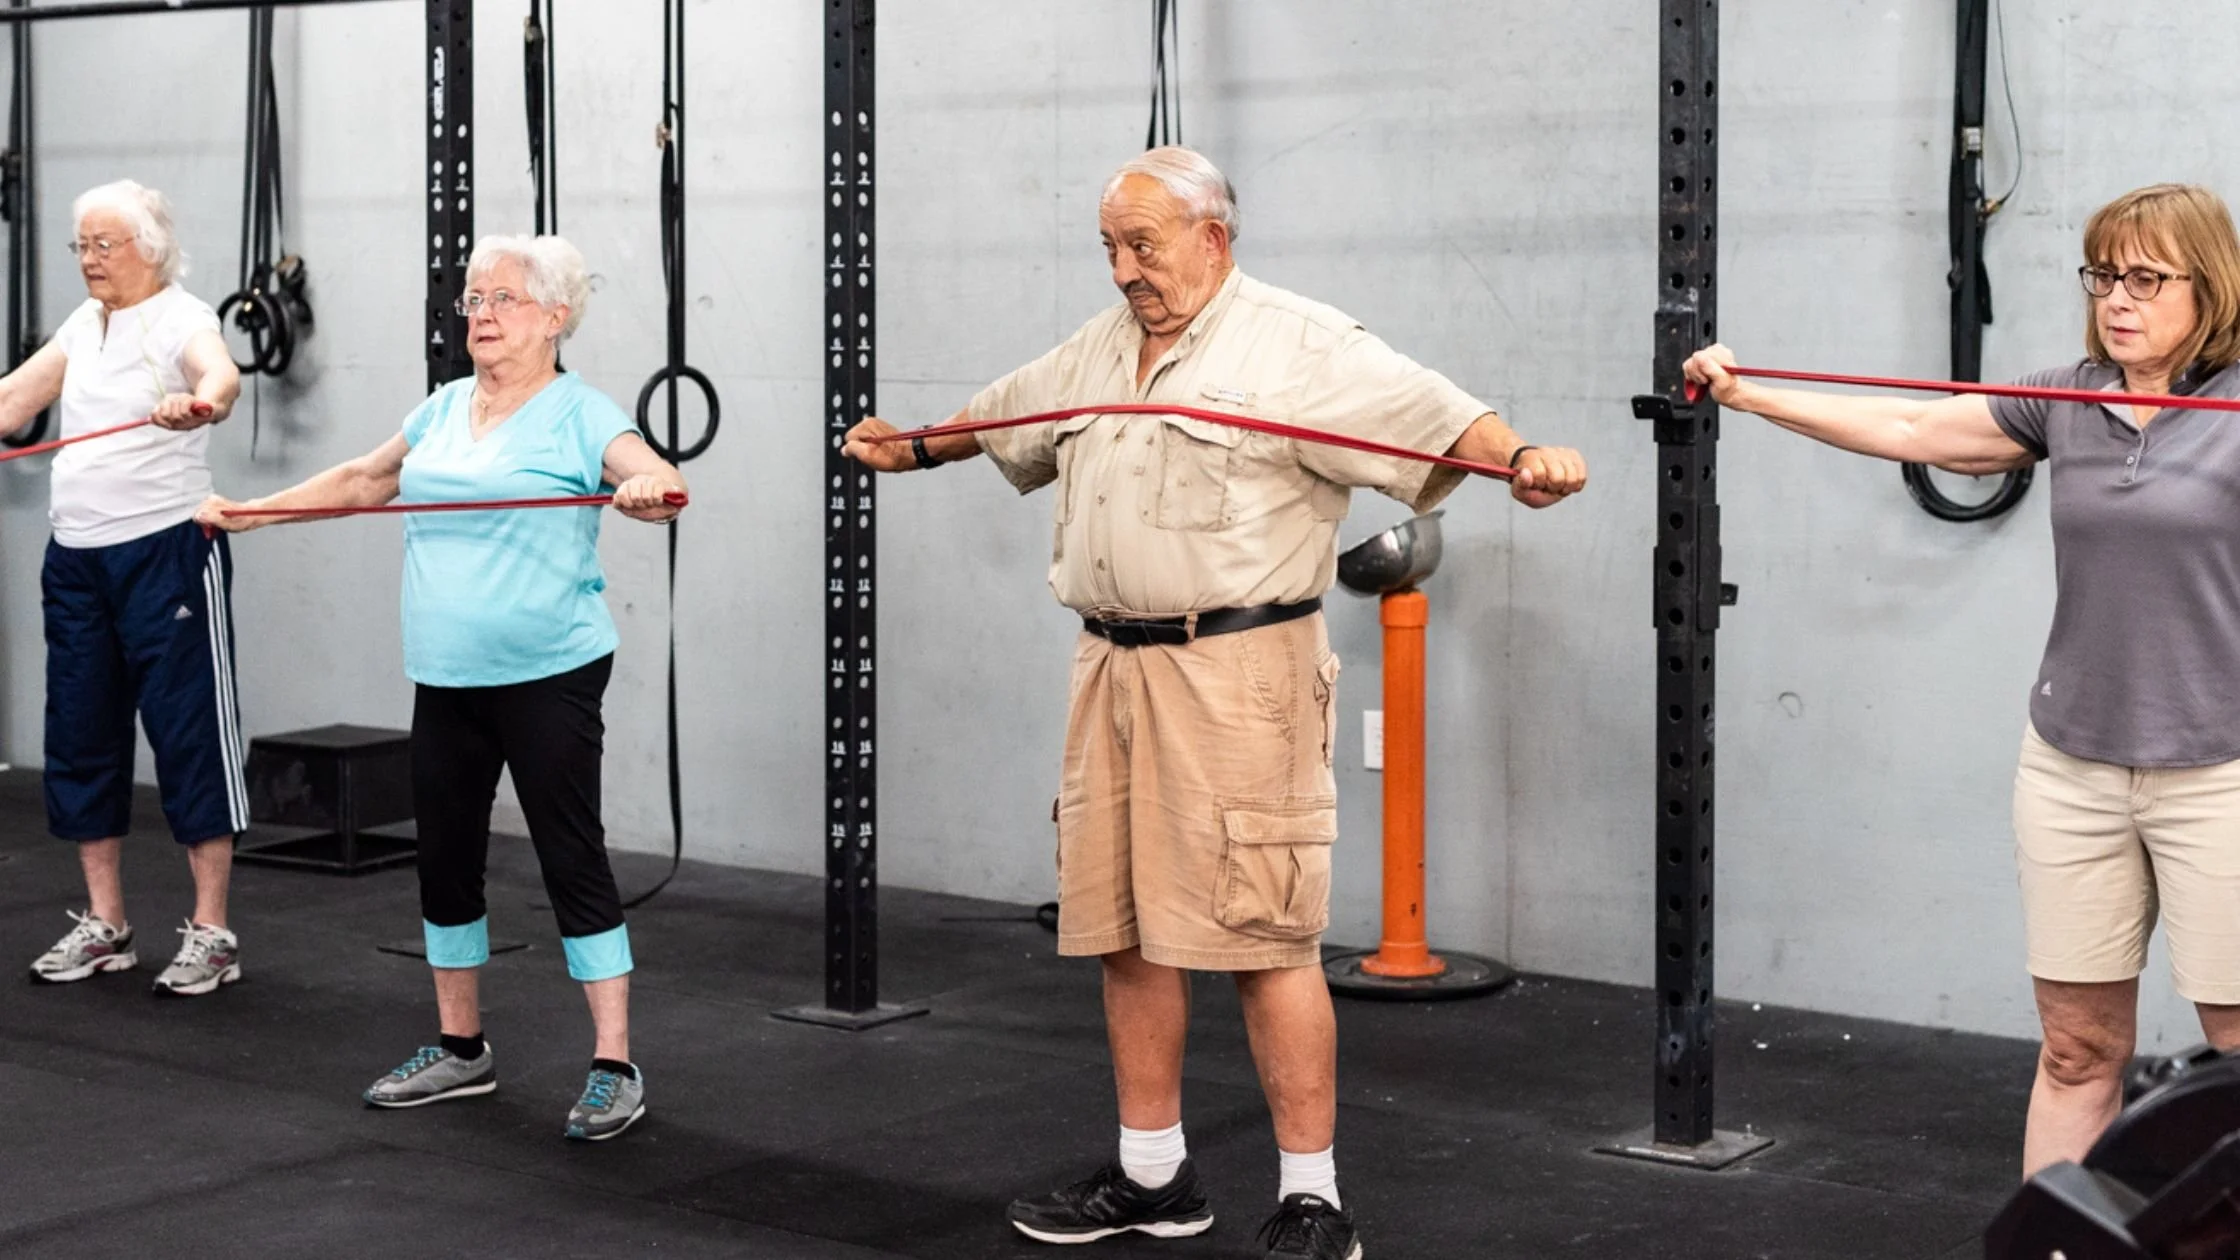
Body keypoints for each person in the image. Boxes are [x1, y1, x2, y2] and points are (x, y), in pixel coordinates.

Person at [844, 146, 1587, 1259]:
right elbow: (1007, 415)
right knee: (1123, 929)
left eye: (1142, 244)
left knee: (1262, 937)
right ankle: (1153, 1177)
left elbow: (1440, 417)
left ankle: (1314, 1201)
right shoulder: (1104, 347)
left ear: (1212, 238)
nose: (1122, 269)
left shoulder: (1299, 345)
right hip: (1109, 670)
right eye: (1108, 247)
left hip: (1240, 678)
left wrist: (1524, 455)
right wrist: (911, 448)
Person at [1682, 182, 2240, 1178]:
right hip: (2070, 770)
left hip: (2219, 773)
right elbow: (1908, 430)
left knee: (2233, 1052)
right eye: (2102, 274)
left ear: (2211, 286)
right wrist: (1746, 393)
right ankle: (2050, 1243)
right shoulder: (2061, 399)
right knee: (2075, 1049)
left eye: (2145, 278)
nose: (2116, 298)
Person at [197, 234, 687, 1142]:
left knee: (570, 858)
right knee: (446, 859)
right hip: (446, 673)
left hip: (550, 672)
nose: (484, 315)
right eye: (473, 300)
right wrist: (251, 513)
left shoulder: (583, 413)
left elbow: (650, 470)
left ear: (556, 316)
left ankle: (615, 1064)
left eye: (504, 299)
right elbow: (364, 479)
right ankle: (462, 1049)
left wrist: (648, 491)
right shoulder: (445, 407)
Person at [6, 180, 248, 996]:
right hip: (76, 561)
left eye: (105, 244)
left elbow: (220, 375)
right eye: (81, 245)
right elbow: (12, 402)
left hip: (166, 553)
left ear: (150, 246)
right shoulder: (85, 324)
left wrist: (201, 404)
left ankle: (212, 931)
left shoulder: (184, 316)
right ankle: (106, 923)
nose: (90, 259)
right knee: (80, 733)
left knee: (188, 735)